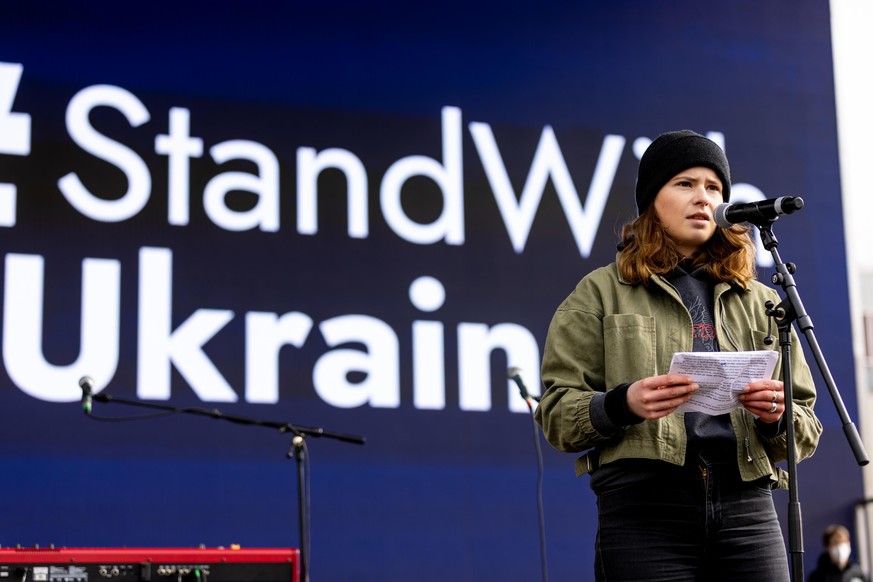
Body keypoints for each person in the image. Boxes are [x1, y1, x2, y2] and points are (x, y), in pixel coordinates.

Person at [534, 130, 823, 581]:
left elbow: (804, 427)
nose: (703, 198)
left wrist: (775, 415)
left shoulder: (764, 299)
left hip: (748, 506)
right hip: (644, 509)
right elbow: (554, 415)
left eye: (714, 188)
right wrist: (622, 404)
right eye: (685, 184)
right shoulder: (598, 293)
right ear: (652, 200)